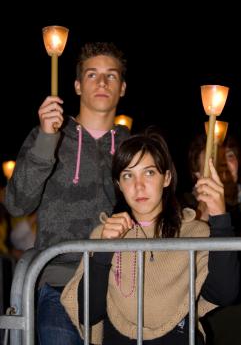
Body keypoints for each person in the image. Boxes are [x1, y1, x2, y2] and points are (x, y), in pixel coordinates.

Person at [61, 128, 239, 345]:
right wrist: (102, 252)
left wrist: (220, 219)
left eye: (149, 172)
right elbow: (88, 313)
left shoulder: (195, 233)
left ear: (167, 178)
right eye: (128, 175)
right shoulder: (105, 234)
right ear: (119, 185)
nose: (139, 186)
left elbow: (224, 293)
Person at [4, 42, 130, 345]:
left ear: (122, 88)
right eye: (92, 75)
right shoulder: (47, 136)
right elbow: (17, 203)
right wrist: (47, 139)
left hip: (123, 287)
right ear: (76, 85)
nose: (102, 83)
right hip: (61, 284)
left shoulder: (133, 146)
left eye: (111, 76)